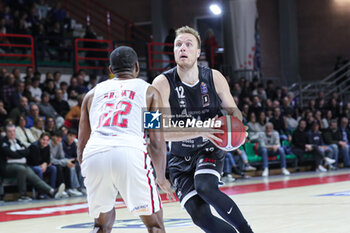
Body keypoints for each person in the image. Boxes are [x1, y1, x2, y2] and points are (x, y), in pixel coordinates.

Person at [152, 26, 253, 233]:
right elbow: (156, 131)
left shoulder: (214, 77)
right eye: (178, 44)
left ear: (198, 53)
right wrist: (160, 175)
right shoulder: (160, 83)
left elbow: (235, 113)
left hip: (209, 148)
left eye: (189, 44)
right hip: (179, 158)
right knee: (200, 217)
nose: (183, 48)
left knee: (205, 186)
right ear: (173, 51)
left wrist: (237, 130)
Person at [77, 46, 174, 233]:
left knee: (100, 225)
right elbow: (155, 141)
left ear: (111, 70)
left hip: (95, 154)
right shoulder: (150, 92)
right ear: (137, 67)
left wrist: (89, 169)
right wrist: (160, 177)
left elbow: (81, 145)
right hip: (130, 152)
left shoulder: (91, 95)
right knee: (154, 225)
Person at [0, 124, 64, 201]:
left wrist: (16, 153)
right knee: (22, 169)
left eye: (13, 131)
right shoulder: (3, 142)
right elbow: (10, 153)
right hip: (7, 167)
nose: (12, 133)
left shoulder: (17, 141)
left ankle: (52, 191)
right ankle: (22, 195)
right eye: (10, 132)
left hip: (22, 165)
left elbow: (26, 151)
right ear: (6, 133)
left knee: (34, 177)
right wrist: (20, 153)